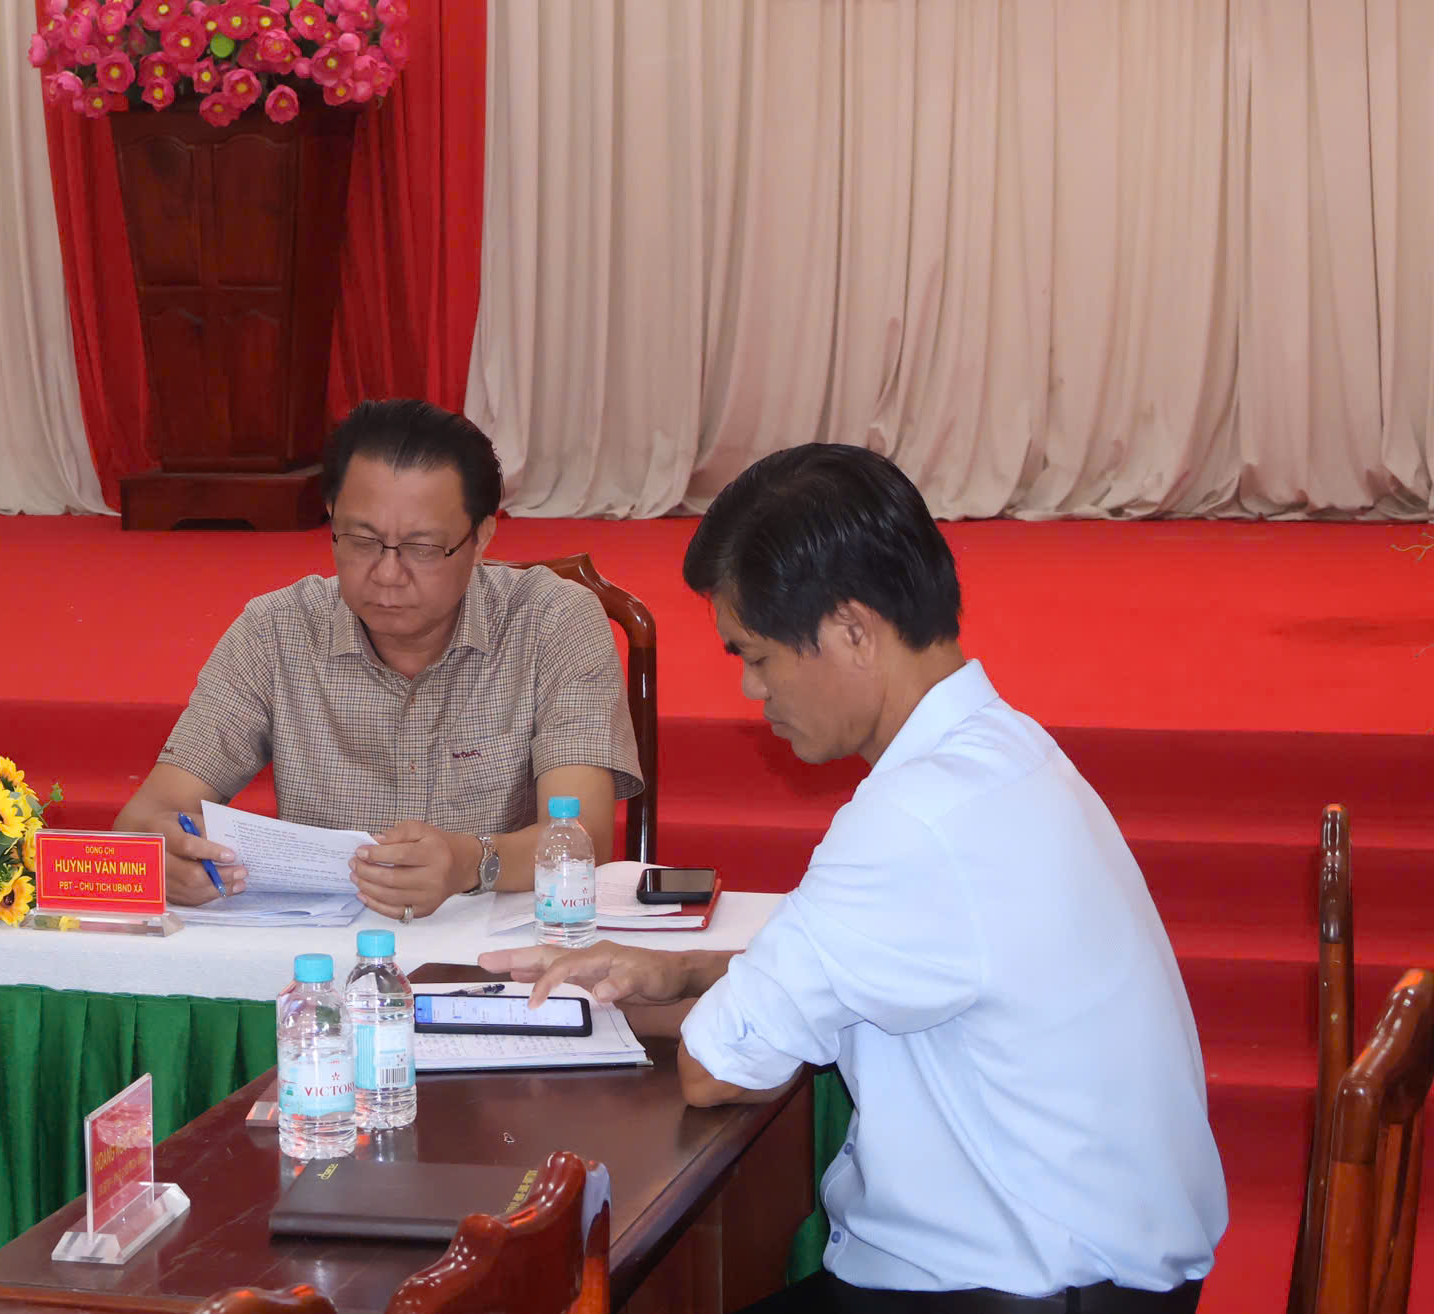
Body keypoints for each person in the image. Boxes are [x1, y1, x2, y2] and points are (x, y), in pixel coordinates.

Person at [483, 444, 1225, 1313]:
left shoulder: (913, 819)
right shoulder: (1005, 752)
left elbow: (713, 1070)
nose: (752, 690)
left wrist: (681, 1002)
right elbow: (855, 974)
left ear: (853, 631)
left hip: (1018, 1290)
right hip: (1096, 1273)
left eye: (756, 655)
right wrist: (682, 972)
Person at [116, 399, 642, 920]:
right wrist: (166, 856)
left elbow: (583, 838)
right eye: (362, 540)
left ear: (480, 536)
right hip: (319, 952)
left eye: (422, 548)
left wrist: (471, 862)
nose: (388, 575)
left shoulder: (553, 622)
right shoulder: (275, 631)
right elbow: (144, 819)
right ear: (331, 519)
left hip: (496, 947)